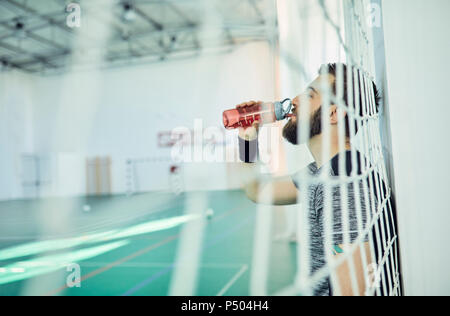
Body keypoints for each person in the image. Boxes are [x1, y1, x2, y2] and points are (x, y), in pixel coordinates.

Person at [237, 63, 394, 296]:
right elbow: (257, 190)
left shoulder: (344, 187)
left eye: (310, 95)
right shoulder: (322, 172)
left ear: (333, 113)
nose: (295, 100)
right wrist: (248, 139)